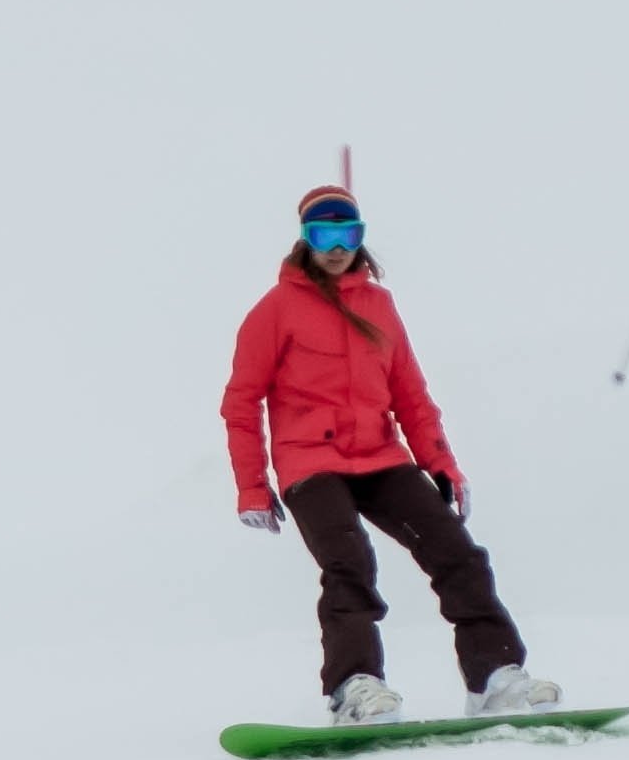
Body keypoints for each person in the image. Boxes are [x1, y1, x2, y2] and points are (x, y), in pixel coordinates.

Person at [222, 184, 559, 723]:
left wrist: (441, 465)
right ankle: (355, 688)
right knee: (348, 561)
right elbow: (241, 402)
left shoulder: (380, 305)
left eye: (348, 233)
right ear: (304, 239)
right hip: (310, 462)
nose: (337, 246)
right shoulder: (276, 310)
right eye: (323, 233)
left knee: (457, 553)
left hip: (380, 458)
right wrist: (252, 486)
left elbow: (411, 395)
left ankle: (493, 677)